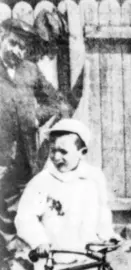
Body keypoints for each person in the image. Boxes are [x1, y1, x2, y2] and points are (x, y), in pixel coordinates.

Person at [0, 18, 72, 265]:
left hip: (26, 156)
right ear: (2, 37)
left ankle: (24, 260)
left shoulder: (30, 70)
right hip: (0, 156)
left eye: (21, 47)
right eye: (12, 43)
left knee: (26, 209)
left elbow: (57, 102)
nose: (16, 51)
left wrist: (36, 116)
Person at [14, 119, 120, 270]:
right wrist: (39, 241)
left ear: (82, 153)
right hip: (54, 257)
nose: (56, 157)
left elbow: (102, 210)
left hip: (88, 257)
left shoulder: (93, 178)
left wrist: (107, 235)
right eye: (53, 150)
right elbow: (26, 217)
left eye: (63, 152)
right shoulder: (42, 182)